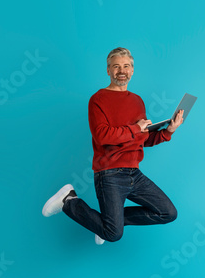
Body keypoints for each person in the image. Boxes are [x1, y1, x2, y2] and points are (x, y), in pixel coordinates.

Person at [42, 47, 184, 245]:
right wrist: (135, 128)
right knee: (114, 234)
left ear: (132, 71)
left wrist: (169, 131)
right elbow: (102, 136)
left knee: (168, 212)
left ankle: (102, 223)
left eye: (126, 66)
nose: (122, 70)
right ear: (108, 70)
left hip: (134, 174)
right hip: (109, 174)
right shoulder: (98, 99)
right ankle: (68, 200)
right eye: (116, 66)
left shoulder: (137, 101)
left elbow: (140, 139)